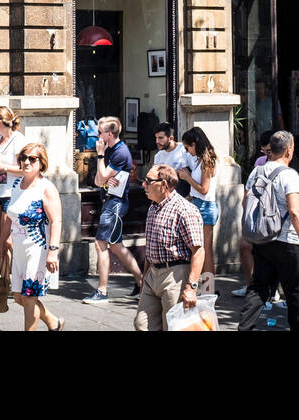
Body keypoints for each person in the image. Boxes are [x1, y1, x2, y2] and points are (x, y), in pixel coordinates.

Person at [238, 131, 299, 331]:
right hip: (288, 241)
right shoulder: (290, 175)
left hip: (263, 240)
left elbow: (245, 201)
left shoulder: (257, 172)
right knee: (296, 291)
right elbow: (295, 211)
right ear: (289, 150)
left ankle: (244, 328)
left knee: (258, 287)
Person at [0, 142, 64, 331]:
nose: (26, 162)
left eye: (32, 158)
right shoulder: (17, 184)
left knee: (29, 297)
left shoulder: (46, 188)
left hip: (37, 248)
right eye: (23, 158)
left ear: (41, 163)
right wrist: (2, 241)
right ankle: (53, 321)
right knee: (19, 296)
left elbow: (56, 221)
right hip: (18, 248)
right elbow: (9, 217)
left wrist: (53, 251)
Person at [135, 163, 205, 330]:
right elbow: (151, 245)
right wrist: (145, 276)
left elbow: (198, 251)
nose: (144, 185)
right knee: (142, 324)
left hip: (176, 275)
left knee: (173, 326)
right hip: (153, 274)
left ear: (163, 185)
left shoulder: (185, 210)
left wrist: (191, 287)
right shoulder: (153, 207)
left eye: (148, 181)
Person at [84, 116, 143, 304]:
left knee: (101, 244)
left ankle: (102, 291)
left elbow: (100, 179)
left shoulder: (119, 152)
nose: (97, 136)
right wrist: (102, 177)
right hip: (109, 201)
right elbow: (97, 181)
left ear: (109, 134)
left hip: (115, 203)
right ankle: (142, 283)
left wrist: (100, 156)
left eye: (100, 132)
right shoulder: (109, 149)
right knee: (117, 246)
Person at [234, 131, 273, 298]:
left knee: (271, 252)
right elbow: (248, 191)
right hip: (255, 215)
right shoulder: (259, 163)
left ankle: (273, 289)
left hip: (273, 217)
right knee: (244, 247)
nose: (266, 155)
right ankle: (251, 286)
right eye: (263, 151)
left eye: (269, 151)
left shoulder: (287, 165)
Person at [179, 126, 219, 278]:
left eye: (187, 147)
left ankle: (209, 290)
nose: (187, 150)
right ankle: (204, 287)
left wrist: (187, 178)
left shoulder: (207, 161)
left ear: (194, 144)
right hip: (197, 204)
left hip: (206, 207)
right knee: (198, 248)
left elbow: (204, 189)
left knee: (205, 250)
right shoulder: (199, 160)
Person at [0, 105, 26, 255]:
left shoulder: (18, 140)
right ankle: (3, 277)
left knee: (8, 238)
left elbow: (24, 169)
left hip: (11, 192)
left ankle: (20, 270)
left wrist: (3, 166)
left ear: (0, 121)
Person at [150, 121, 192, 198]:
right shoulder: (158, 156)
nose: (157, 141)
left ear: (171, 138)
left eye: (160, 138)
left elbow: (193, 174)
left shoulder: (184, 149)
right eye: (156, 138)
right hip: (165, 198)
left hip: (184, 198)